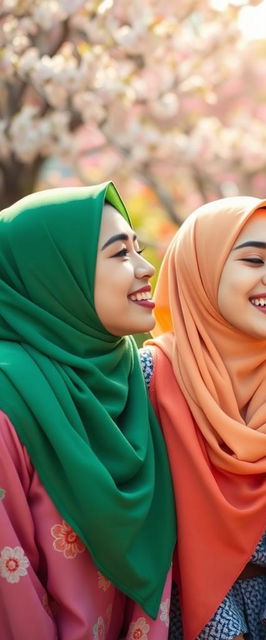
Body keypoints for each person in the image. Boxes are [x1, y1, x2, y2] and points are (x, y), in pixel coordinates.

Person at [140, 197, 266, 640]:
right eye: (254, 259)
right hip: (178, 616)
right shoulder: (153, 377)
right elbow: (168, 536)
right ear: (201, 270)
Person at [0, 183, 176, 638]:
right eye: (120, 254)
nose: (146, 267)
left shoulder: (131, 374)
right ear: (53, 274)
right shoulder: (9, 398)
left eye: (139, 248)